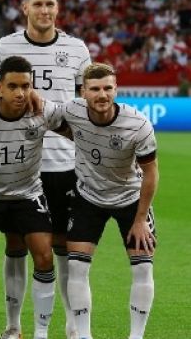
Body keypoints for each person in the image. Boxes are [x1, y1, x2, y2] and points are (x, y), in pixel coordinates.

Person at [0, 0, 91, 339]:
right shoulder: (4, 47)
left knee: (63, 246)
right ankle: (13, 326)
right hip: (17, 164)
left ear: (57, 9)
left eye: (50, 4)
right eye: (38, 5)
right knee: (15, 245)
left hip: (64, 164)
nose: (45, 10)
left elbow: (84, 105)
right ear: (24, 8)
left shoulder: (77, 49)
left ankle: (72, 325)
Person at [0, 56, 66, 339]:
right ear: (0, 87)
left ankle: (38, 333)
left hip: (28, 194)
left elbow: (78, 128)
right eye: (13, 86)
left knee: (44, 257)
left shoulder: (43, 112)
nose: (20, 93)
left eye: (26, 86)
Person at [64, 63, 157, 339]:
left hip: (131, 197)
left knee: (142, 265)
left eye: (108, 88)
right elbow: (40, 109)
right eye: (95, 89)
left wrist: (140, 220)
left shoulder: (138, 124)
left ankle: (136, 337)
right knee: (76, 266)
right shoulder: (71, 111)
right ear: (83, 92)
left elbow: (151, 174)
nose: (102, 94)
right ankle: (83, 336)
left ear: (116, 89)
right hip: (88, 196)